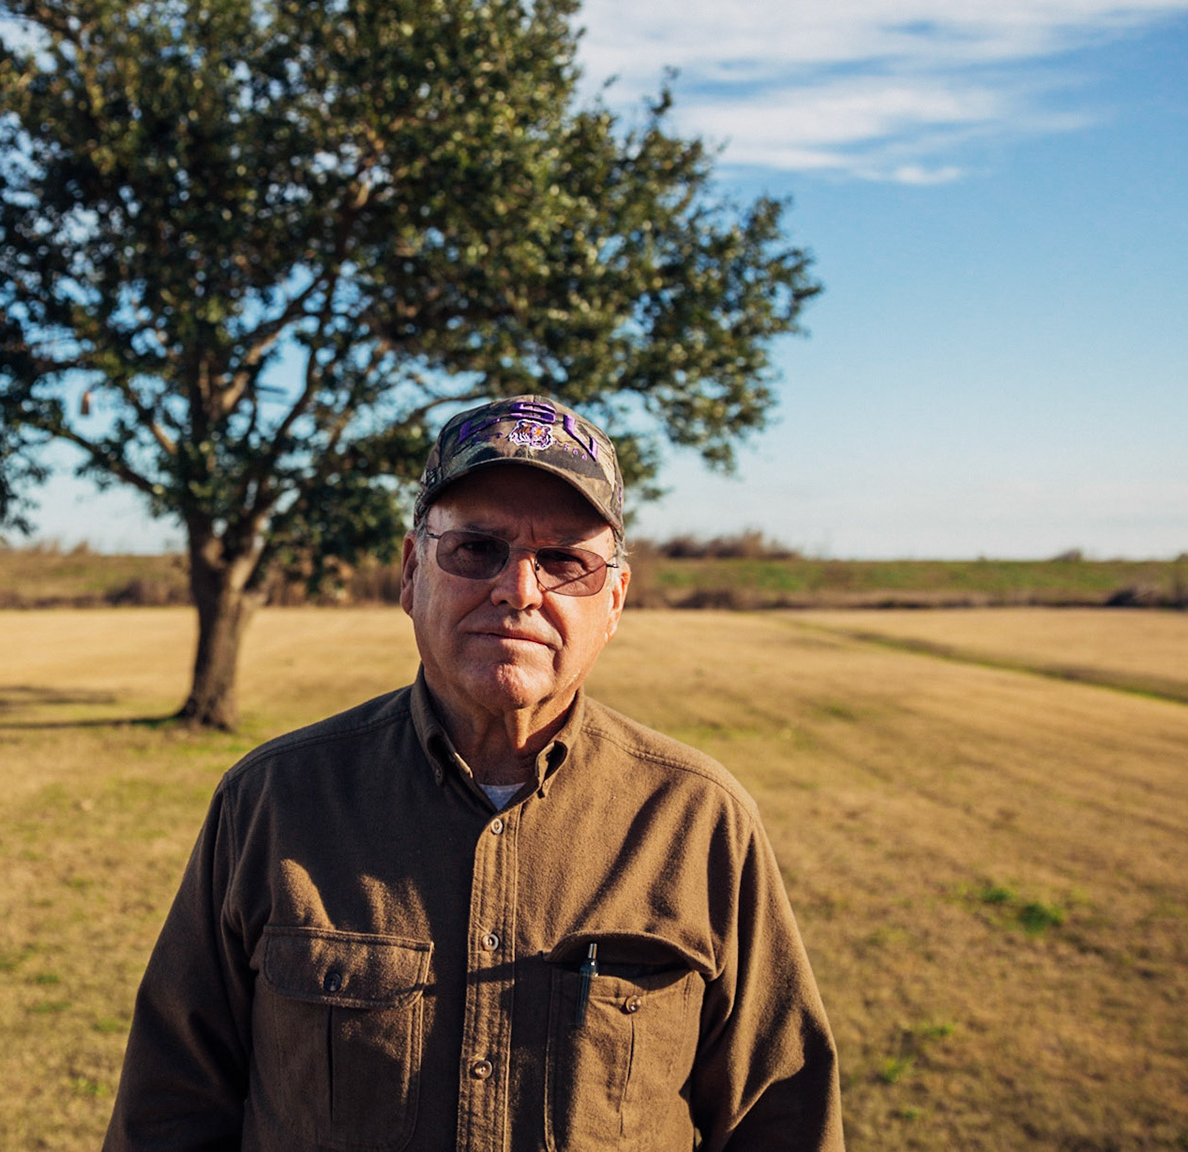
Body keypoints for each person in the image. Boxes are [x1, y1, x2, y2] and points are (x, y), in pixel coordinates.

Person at [102, 396, 842, 1151]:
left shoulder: (700, 821)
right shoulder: (271, 802)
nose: (519, 589)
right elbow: (170, 1112)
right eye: (477, 549)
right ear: (410, 570)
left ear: (614, 600)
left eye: (564, 561)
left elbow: (781, 1121)